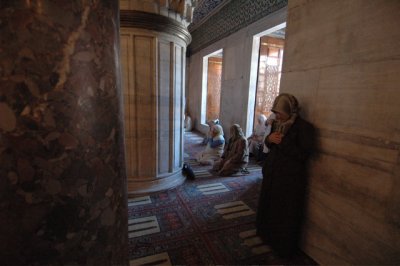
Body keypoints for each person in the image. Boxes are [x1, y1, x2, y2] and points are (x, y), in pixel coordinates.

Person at [256, 93, 316, 258]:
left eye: (279, 113)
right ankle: (266, 235)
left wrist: (282, 142)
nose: (276, 116)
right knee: (269, 207)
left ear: (290, 111)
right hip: (272, 174)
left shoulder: (304, 128)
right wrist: (269, 139)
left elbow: (303, 155)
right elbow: (270, 143)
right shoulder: (278, 124)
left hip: (288, 179)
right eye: (275, 112)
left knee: (283, 213)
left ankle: (281, 247)